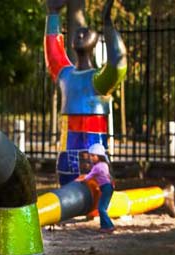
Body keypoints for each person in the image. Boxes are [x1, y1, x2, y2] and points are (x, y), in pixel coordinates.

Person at [44, 0, 127, 185]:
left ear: (95, 42)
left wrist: (108, 25)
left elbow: (118, 65)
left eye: (87, 32)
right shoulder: (65, 75)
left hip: (94, 156)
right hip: (66, 158)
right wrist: (53, 13)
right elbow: (53, 53)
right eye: (79, 31)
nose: (81, 32)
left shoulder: (98, 79)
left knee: (95, 190)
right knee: (67, 187)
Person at [76, 143, 115, 233]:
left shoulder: (98, 167)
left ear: (100, 156)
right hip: (107, 187)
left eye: (93, 156)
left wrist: (81, 180)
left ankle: (109, 226)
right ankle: (103, 227)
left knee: (101, 208)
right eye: (90, 156)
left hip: (106, 188)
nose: (91, 158)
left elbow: (89, 176)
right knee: (101, 207)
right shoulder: (104, 164)